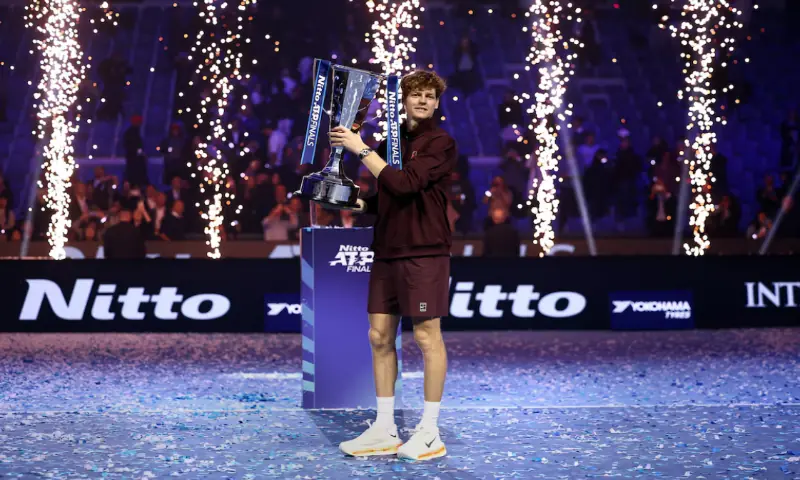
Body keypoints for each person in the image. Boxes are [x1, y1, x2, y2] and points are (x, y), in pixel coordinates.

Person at [329, 69, 457, 461]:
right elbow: (383, 198)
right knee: (379, 337)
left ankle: (430, 432)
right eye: (415, 95)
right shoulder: (392, 142)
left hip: (425, 251)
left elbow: (404, 184)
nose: (422, 101)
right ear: (403, 100)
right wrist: (352, 202)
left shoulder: (441, 142)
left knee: (426, 339)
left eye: (429, 97)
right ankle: (384, 427)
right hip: (386, 249)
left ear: (436, 103)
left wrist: (360, 148)